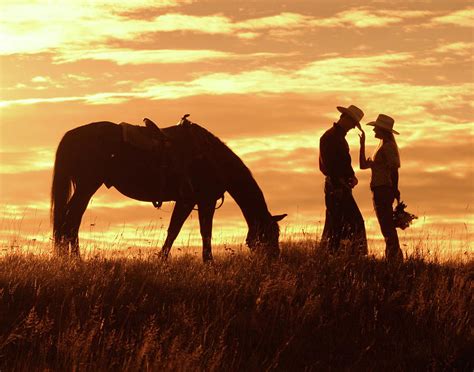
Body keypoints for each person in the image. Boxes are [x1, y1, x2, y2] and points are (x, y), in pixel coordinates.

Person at [319, 105, 368, 255]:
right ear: (345, 119)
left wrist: (350, 176)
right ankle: (352, 255)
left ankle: (332, 254)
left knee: (337, 224)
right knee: (351, 223)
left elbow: (341, 164)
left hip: (338, 185)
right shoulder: (332, 137)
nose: (353, 127)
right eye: (353, 123)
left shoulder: (334, 137)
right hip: (337, 186)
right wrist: (341, 182)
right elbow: (330, 165)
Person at [359, 114, 403, 262]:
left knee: (387, 226)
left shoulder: (387, 147)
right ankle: (393, 257)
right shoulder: (382, 147)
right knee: (386, 225)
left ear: (382, 130)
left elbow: (394, 169)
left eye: (376, 128)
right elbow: (363, 165)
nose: (374, 131)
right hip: (380, 189)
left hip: (383, 189)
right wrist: (362, 144)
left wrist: (394, 189)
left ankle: (394, 257)